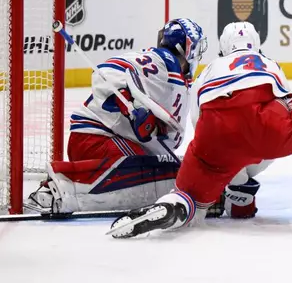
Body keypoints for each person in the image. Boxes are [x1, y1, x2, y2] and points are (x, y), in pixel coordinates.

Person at [109, 22, 292, 238]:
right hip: (266, 130)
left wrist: (220, 167)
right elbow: (286, 106)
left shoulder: (208, 70)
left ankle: (173, 207)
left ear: (223, 47)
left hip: (213, 141)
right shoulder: (267, 62)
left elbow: (198, 124)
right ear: (256, 43)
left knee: (188, 196)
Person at [26, 19, 207, 213]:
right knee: (147, 176)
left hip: (114, 141)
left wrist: (155, 126)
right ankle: (59, 188)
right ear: (187, 49)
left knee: (168, 172)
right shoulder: (162, 60)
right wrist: (130, 106)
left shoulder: (177, 76)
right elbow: (107, 72)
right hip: (95, 139)